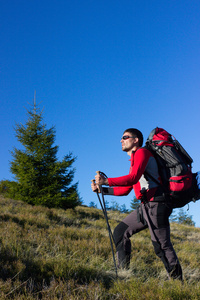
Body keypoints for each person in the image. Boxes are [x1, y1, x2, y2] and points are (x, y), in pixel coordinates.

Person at [91, 128, 182, 280]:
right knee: (120, 232)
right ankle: (123, 273)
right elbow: (126, 189)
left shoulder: (142, 153)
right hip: (145, 207)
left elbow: (132, 178)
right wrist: (102, 190)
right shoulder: (135, 159)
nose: (121, 140)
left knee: (161, 246)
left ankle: (178, 284)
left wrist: (106, 181)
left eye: (125, 137)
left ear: (135, 140)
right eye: (121, 138)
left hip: (157, 204)